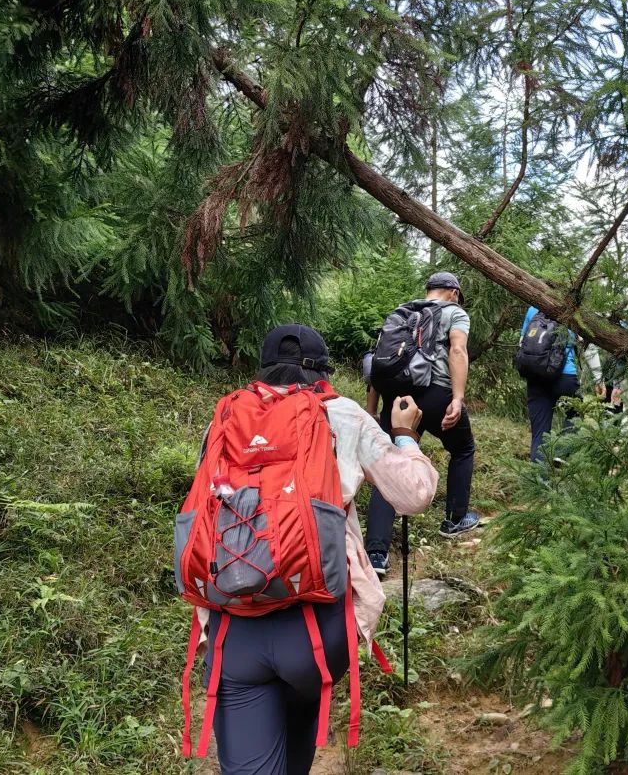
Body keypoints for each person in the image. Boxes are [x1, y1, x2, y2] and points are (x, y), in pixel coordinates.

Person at [196, 325, 438, 774]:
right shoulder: (340, 413)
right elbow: (414, 494)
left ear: (264, 368)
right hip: (318, 628)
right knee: (299, 707)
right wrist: (404, 435)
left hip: (236, 627)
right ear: (322, 373)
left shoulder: (226, 416)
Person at [365, 272, 479, 577]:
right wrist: (457, 397)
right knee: (463, 448)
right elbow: (457, 350)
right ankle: (455, 519)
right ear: (453, 292)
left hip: (397, 398)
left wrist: (373, 412)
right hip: (435, 394)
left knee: (387, 467)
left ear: (428, 291)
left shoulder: (400, 313)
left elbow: (378, 363)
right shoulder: (455, 312)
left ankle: (375, 554)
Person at [519, 306, 602, 463]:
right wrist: (599, 379)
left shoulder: (532, 309)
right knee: (576, 410)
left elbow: (522, 342)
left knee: (539, 435)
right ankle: (562, 451)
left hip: (536, 379)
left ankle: (539, 484)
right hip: (565, 376)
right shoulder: (575, 310)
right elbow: (589, 348)